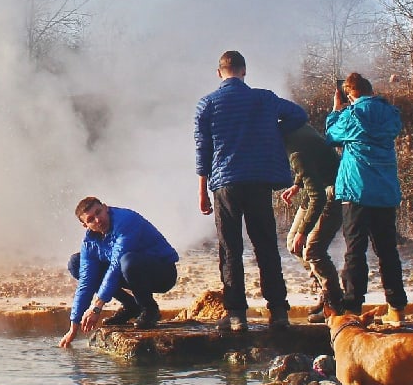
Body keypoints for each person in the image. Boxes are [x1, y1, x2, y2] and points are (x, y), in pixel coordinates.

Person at [194, 51, 309, 332]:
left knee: (230, 248)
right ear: (244, 71)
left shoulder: (207, 104)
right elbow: (299, 115)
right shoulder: (265, 98)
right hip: (258, 181)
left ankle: (236, 315)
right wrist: (274, 131)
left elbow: (203, 150)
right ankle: (279, 311)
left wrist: (202, 191)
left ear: (219, 72)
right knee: (266, 245)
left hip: (225, 183)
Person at [326, 72, 410, 327]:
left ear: (350, 93)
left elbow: (331, 135)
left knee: (355, 252)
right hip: (384, 192)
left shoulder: (352, 115)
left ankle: (352, 307)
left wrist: (336, 110)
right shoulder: (390, 114)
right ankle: (397, 309)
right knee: (387, 251)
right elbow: (393, 127)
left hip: (357, 192)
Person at [59, 197, 180, 346]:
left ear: (106, 208)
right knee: (75, 262)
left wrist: (97, 308)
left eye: (99, 212)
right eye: (91, 219)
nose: (98, 220)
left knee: (127, 261)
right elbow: (86, 282)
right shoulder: (89, 243)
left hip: (162, 273)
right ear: (85, 225)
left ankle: (149, 309)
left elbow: (116, 267)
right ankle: (131, 307)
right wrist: (73, 327)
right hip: (129, 271)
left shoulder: (126, 221)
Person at [279, 121, 347, 323]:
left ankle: (335, 303)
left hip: (331, 191)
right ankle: (324, 289)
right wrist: (297, 185)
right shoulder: (297, 128)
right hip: (320, 187)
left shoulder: (295, 151)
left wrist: (303, 231)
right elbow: (314, 158)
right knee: (292, 244)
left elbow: (318, 197)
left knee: (313, 250)